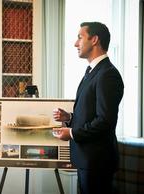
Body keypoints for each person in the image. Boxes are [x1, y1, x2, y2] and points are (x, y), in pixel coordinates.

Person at [52, 22, 124, 194]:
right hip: (87, 161)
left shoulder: (108, 74)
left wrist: (71, 133)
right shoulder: (93, 71)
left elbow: (104, 121)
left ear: (95, 40)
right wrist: (69, 117)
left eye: (80, 37)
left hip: (97, 162)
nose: (75, 43)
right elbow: (92, 113)